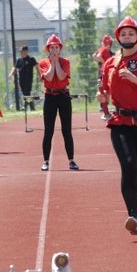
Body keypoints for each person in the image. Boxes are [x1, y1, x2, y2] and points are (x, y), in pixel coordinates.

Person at [97, 16, 137, 236]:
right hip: (121, 123)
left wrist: (134, 78)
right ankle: (133, 215)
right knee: (128, 165)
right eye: (123, 34)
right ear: (118, 37)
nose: (127, 36)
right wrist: (103, 98)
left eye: (131, 33)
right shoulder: (111, 63)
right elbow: (105, 90)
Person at [38, 34, 79, 172]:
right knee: (48, 130)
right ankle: (45, 161)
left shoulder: (65, 62)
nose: (54, 50)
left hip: (63, 97)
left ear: (60, 49)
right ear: (48, 49)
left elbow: (61, 76)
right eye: (52, 47)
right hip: (50, 97)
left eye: (57, 47)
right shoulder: (43, 62)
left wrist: (57, 62)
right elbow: (49, 78)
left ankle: (71, 160)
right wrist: (52, 63)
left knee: (66, 130)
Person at [9, 46, 40, 111]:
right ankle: (32, 108)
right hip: (21, 80)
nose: (21, 53)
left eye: (22, 51)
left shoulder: (31, 59)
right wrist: (11, 74)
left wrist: (40, 75)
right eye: (20, 51)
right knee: (26, 94)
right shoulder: (19, 60)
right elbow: (15, 68)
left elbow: (37, 67)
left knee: (27, 93)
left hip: (28, 80)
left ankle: (24, 107)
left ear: (26, 51)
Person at [92, 35, 114, 119]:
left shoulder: (107, 51)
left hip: (107, 74)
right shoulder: (103, 49)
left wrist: (104, 63)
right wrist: (104, 63)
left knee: (106, 93)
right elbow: (95, 56)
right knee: (103, 93)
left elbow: (95, 56)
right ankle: (105, 111)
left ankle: (106, 111)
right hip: (104, 74)